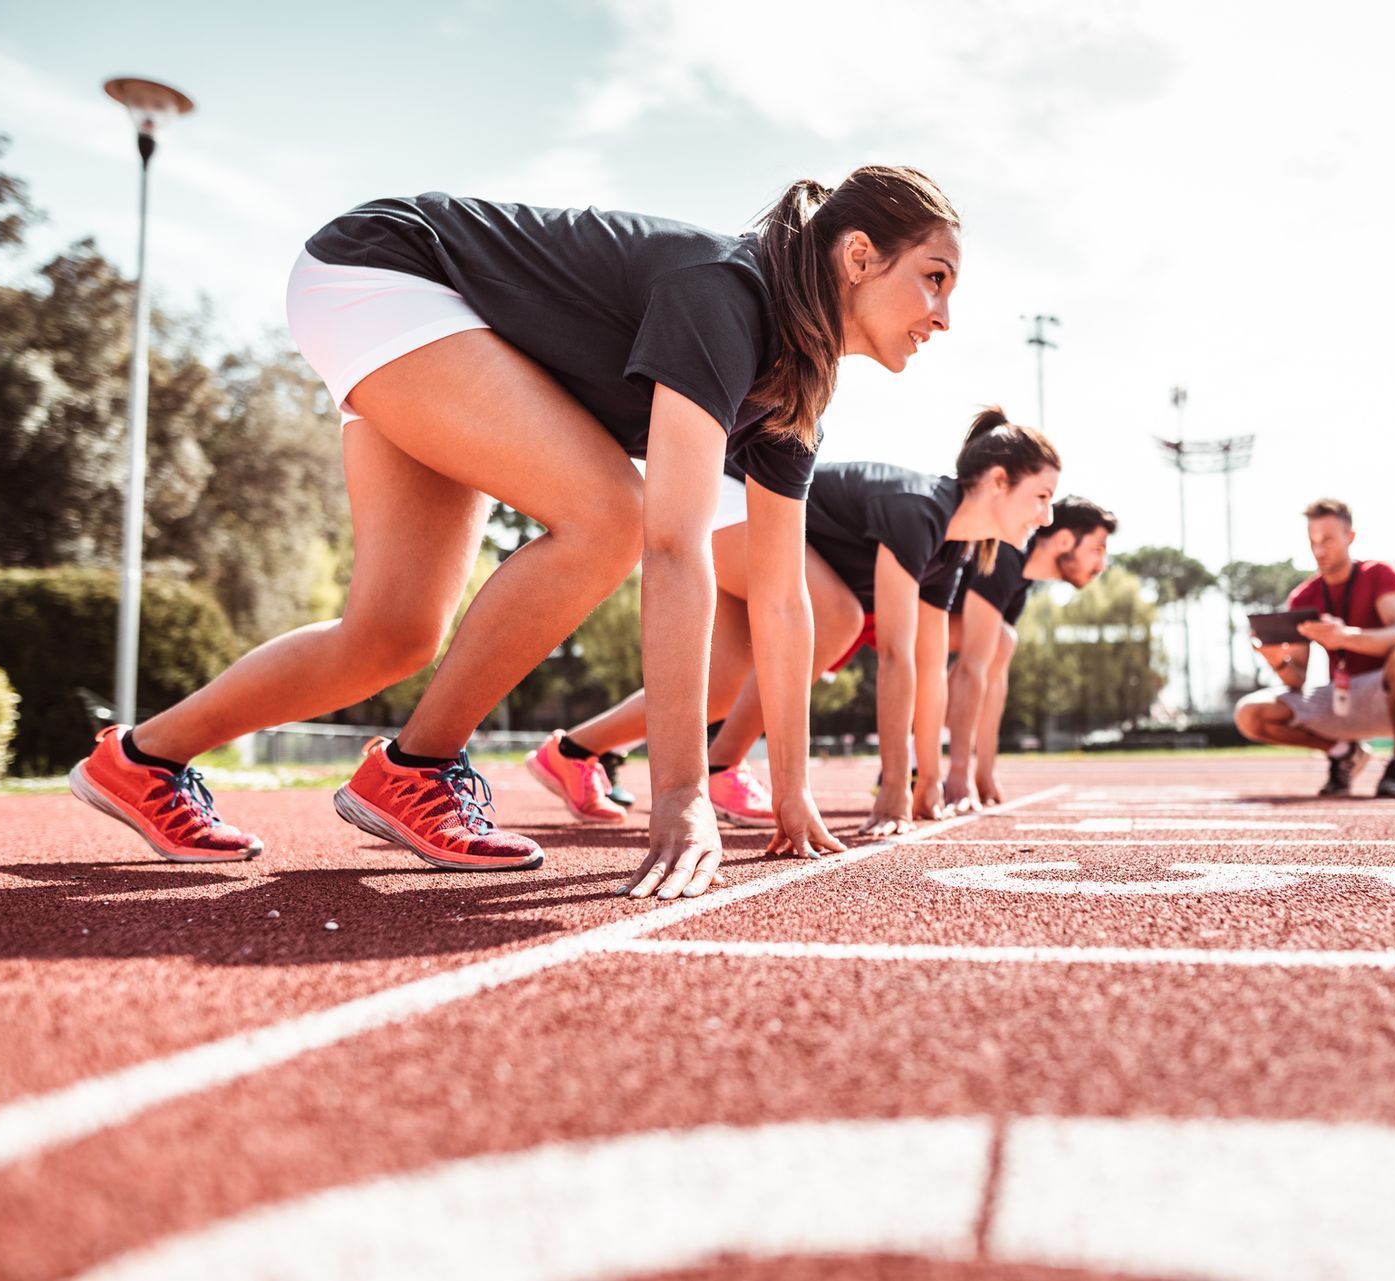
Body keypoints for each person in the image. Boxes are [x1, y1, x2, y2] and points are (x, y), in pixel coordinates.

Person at [67, 168, 961, 901]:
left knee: (393, 634)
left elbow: (781, 592)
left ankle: (141, 759)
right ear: (856, 255)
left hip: (446, 327)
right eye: (934, 276)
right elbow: (673, 546)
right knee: (609, 514)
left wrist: (793, 791)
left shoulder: (796, 390)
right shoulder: (726, 295)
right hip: (386, 275)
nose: (943, 315)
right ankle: (418, 768)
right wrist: (680, 794)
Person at [548, 409, 1060, 837]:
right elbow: (894, 656)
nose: (1048, 517)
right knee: (838, 616)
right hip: (729, 490)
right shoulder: (918, 511)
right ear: (997, 481)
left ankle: (572, 751)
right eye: (1041, 497)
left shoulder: (955, 550)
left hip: (764, 531)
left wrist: (929, 780)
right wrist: (893, 791)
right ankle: (723, 766)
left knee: (724, 686)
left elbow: (929, 669)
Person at [1234, 497, 1395, 798]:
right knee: (1249, 713)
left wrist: (1344, 637)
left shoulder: (1380, 574)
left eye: (1327, 540)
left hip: (1384, 696)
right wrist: (1278, 662)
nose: (1319, 550)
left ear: (1350, 537)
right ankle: (1343, 753)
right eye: (1313, 541)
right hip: (1337, 699)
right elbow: (1297, 680)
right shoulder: (1303, 596)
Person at [942, 496, 1116, 810]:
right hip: (887, 604)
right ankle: (922, 762)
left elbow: (982, 674)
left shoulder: (1020, 579)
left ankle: (954, 765)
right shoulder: (1006, 555)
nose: (1101, 565)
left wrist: (983, 772)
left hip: (923, 626)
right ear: (1064, 540)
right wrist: (959, 772)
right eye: (1097, 549)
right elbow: (971, 666)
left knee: (1000, 643)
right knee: (1000, 641)